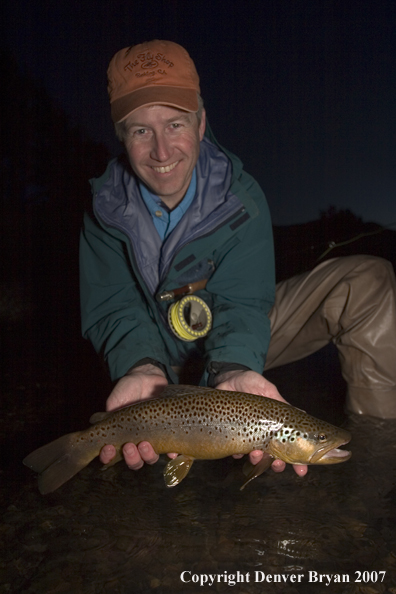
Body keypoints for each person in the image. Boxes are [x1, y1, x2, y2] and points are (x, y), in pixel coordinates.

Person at [80, 40, 396, 477]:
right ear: (120, 135)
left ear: (202, 122)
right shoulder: (103, 210)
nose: (162, 151)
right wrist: (141, 366)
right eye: (140, 131)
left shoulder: (242, 199)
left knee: (369, 280)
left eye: (174, 124)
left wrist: (234, 369)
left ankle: (381, 451)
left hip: (232, 346)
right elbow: (113, 306)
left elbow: (245, 303)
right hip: (153, 363)